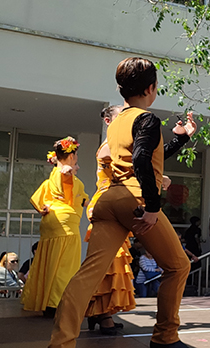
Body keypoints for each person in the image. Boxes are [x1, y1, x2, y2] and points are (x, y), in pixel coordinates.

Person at [49, 57, 196, 348]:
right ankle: (166, 337)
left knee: (86, 276)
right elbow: (141, 160)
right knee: (178, 267)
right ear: (151, 88)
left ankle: (60, 342)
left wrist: (179, 140)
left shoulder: (116, 124)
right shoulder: (147, 119)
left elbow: (143, 156)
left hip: (108, 201)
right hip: (134, 200)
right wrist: (153, 207)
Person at [84, 104, 137, 335]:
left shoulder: (117, 147)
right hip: (106, 204)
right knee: (108, 261)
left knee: (114, 262)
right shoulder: (108, 147)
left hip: (116, 204)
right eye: (120, 118)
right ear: (108, 122)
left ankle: (102, 311)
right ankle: (100, 313)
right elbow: (126, 167)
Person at [22, 137, 89, 318]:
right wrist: (68, 171)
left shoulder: (51, 178)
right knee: (65, 267)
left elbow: (38, 200)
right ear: (72, 155)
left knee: (49, 264)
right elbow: (67, 180)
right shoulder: (64, 174)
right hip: (66, 225)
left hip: (51, 223)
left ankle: (46, 301)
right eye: (75, 155)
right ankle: (56, 303)